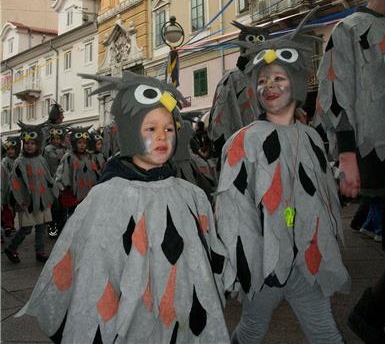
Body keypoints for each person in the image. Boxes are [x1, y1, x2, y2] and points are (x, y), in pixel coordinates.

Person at [17, 72, 229, 344]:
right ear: (130, 132)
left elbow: (205, 258)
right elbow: (92, 273)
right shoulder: (105, 197)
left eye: (168, 128)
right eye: (150, 129)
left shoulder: (191, 194)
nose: (162, 137)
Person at [216, 11, 350, 344]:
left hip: (306, 260)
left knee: (325, 331)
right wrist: (245, 263)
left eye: (278, 78)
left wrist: (339, 177)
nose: (269, 86)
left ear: (297, 81)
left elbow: (320, 191)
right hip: (265, 266)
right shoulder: (242, 141)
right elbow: (231, 210)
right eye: (262, 80)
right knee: (251, 329)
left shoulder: (311, 137)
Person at [316, 0, 385, 343]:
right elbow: (336, 96)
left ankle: (369, 314)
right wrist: (346, 158)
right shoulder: (350, 29)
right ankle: (366, 315)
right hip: (373, 152)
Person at [208, 22, 269, 158]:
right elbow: (221, 121)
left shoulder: (270, 77)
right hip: (242, 153)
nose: (256, 45)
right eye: (251, 40)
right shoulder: (232, 79)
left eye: (261, 40)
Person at [4, 122, 57, 264]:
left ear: (38, 144)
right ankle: (11, 247)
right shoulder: (19, 162)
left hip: (42, 199)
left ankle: (40, 252)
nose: (29, 146)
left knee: (41, 226)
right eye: (26, 143)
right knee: (26, 228)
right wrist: (19, 201)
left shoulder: (41, 159)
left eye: (33, 143)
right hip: (27, 201)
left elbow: (48, 177)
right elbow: (14, 183)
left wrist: (52, 193)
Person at [55, 126, 100, 216]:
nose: (82, 145)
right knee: (74, 218)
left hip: (89, 193)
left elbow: (96, 172)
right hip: (74, 195)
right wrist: (63, 188)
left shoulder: (90, 156)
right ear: (74, 143)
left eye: (84, 142)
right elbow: (60, 174)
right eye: (79, 142)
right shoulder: (69, 157)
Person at [43, 127, 67, 237]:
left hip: (62, 181)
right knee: (55, 206)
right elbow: (55, 162)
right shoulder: (48, 149)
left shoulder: (65, 148)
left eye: (58, 138)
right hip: (52, 181)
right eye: (54, 138)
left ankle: (61, 227)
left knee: (63, 206)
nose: (56, 141)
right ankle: (52, 226)